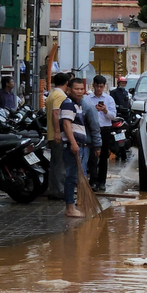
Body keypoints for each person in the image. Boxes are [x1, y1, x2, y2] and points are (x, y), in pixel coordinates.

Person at [59, 78, 89, 217]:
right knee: (71, 177)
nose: (79, 91)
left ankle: (74, 205)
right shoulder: (68, 104)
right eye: (76, 89)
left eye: (81, 89)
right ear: (69, 90)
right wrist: (73, 143)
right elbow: (66, 124)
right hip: (73, 146)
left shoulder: (77, 105)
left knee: (75, 176)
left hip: (79, 146)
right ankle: (70, 208)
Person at [83, 75, 117, 191]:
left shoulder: (109, 99)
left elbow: (113, 116)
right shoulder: (87, 99)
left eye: (101, 87)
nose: (99, 89)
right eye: (97, 86)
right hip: (92, 129)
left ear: (104, 86)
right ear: (93, 86)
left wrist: (105, 110)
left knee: (103, 157)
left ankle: (102, 182)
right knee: (92, 156)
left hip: (105, 129)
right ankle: (93, 181)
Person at [46, 73, 70, 200]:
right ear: (67, 83)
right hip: (58, 135)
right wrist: (57, 132)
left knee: (55, 164)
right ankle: (60, 191)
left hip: (51, 133)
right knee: (60, 164)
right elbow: (56, 113)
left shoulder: (51, 94)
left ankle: (54, 190)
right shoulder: (60, 95)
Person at [81, 79, 104, 193]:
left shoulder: (87, 106)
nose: (99, 89)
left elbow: (95, 128)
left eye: (81, 89)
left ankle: (95, 183)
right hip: (77, 141)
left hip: (94, 136)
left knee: (94, 161)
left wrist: (97, 145)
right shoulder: (83, 101)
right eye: (76, 89)